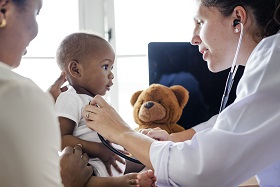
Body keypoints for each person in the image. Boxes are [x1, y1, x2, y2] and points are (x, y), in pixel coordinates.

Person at [81, 0, 280, 186]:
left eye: (200, 22)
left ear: (237, 19)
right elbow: (232, 124)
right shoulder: (270, 60)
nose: (194, 39)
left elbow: (201, 170)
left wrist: (121, 132)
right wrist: (174, 139)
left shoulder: (273, 61)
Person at [0, 0, 93, 186]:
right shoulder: (18, 92)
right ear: (4, 9)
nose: (35, 30)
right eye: (36, 13)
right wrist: (67, 180)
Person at [55, 32, 156, 187]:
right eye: (105, 66)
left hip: (110, 160)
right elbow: (61, 139)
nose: (111, 75)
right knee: (87, 177)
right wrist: (100, 150)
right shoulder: (70, 97)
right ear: (76, 70)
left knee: (145, 157)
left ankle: (148, 167)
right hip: (90, 165)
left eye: (111, 68)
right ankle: (118, 183)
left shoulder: (93, 100)